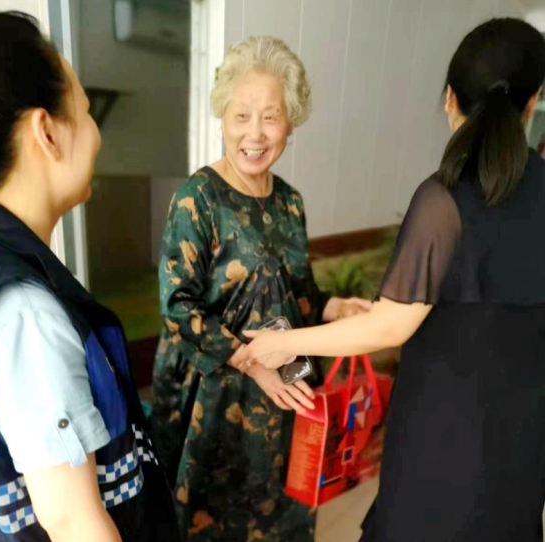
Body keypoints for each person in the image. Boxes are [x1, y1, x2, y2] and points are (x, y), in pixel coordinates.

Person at [243, 18, 545, 542]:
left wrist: (283, 343)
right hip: (523, 436)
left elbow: (389, 326)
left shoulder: (445, 199)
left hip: (441, 436)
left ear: (449, 98)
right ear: (532, 102)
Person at [0, 12, 178, 541]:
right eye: (87, 113)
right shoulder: (24, 315)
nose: (96, 135)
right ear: (46, 132)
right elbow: (75, 523)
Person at [152, 35, 368, 541]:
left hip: (284, 389)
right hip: (213, 399)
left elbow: (298, 296)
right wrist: (253, 363)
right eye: (242, 116)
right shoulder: (198, 198)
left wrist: (337, 308)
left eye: (270, 117)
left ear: (290, 123)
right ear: (222, 119)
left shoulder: (290, 202)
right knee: (212, 521)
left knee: (278, 513)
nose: (255, 133)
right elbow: (177, 308)